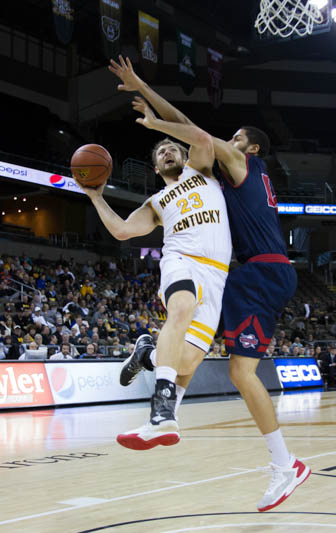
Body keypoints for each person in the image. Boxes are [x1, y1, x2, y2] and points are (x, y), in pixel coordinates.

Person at [108, 55, 310, 512]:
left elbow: (194, 132)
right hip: (248, 274)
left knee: (232, 365)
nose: (228, 142)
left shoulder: (242, 163)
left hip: (261, 271)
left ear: (250, 148)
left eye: (235, 137)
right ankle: (166, 411)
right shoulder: (216, 179)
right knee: (202, 347)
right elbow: (189, 127)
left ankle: (286, 465)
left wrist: (153, 113)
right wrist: (154, 104)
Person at [75, 96, 231, 451]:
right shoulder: (157, 202)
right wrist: (96, 196)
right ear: (156, 167)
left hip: (217, 274)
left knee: (187, 361)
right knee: (181, 309)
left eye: (172, 148)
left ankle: (146, 354)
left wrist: (155, 123)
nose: (167, 152)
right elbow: (122, 231)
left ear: (182, 155)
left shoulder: (201, 171)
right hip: (182, 260)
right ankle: (162, 411)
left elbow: (204, 140)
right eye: (160, 152)